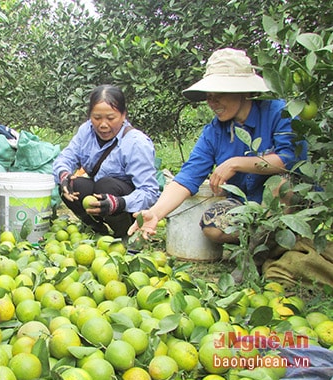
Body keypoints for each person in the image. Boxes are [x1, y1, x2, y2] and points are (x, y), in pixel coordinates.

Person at [128, 48, 307, 250]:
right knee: (213, 225)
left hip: (290, 202)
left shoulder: (279, 112)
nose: (212, 103)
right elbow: (187, 177)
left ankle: (260, 252)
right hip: (246, 206)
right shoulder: (215, 131)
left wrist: (236, 163)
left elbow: (288, 159)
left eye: (219, 94)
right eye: (209, 96)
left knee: (280, 185)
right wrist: (156, 212)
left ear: (244, 91)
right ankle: (264, 246)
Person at [53, 84, 160, 238]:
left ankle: (125, 234)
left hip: (128, 205)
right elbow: (65, 158)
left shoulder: (136, 143)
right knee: (71, 185)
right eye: (97, 118)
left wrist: (119, 202)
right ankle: (96, 228)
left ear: (123, 115)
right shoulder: (86, 131)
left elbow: (149, 192)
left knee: (106, 185)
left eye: (110, 118)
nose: (103, 125)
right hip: (101, 197)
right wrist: (64, 175)